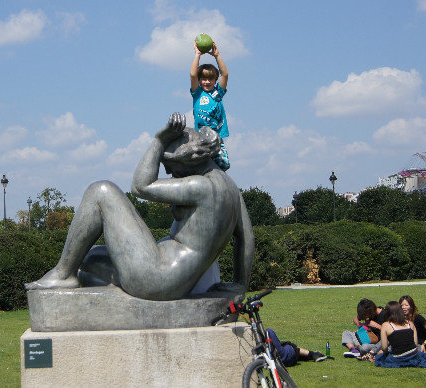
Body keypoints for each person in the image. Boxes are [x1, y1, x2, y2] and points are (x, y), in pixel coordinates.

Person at [25, 113, 254, 301]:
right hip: (171, 279)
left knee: (101, 191)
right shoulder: (230, 188)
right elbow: (247, 239)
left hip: (159, 277)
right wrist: (239, 285)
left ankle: (63, 274)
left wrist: (159, 140)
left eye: (172, 167)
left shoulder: (202, 187)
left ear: (191, 159)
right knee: (90, 258)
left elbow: (140, 186)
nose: (171, 175)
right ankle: (81, 281)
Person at [190, 39, 230, 170]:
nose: (207, 82)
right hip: (200, 137)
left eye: (210, 79)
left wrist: (217, 56)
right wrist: (197, 54)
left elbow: (225, 74)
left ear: (215, 80)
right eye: (204, 79)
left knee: (225, 164)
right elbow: (192, 74)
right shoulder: (197, 93)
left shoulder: (218, 93)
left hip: (216, 137)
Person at [374, 301, 426, 368]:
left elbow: (385, 347)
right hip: (414, 354)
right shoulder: (410, 323)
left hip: (398, 357)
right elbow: (415, 343)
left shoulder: (386, 325)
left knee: (381, 357)